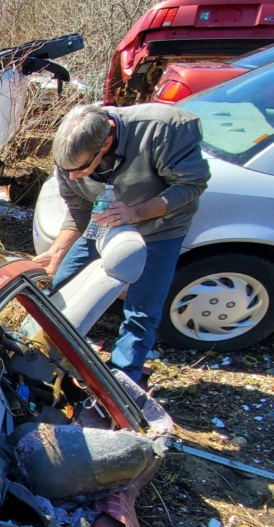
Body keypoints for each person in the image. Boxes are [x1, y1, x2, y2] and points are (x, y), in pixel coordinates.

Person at [33, 103, 210, 387]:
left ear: (107, 142)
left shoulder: (164, 129)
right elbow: (79, 208)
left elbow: (192, 185)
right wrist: (56, 253)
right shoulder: (70, 154)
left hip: (159, 229)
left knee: (141, 310)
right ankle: (43, 357)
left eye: (81, 169)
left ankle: (123, 381)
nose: (74, 176)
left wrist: (136, 213)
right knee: (61, 288)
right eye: (68, 171)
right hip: (101, 225)